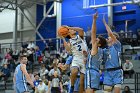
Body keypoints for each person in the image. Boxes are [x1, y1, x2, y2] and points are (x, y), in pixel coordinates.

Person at [59, 25, 88, 93]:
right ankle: (72, 86)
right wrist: (63, 38)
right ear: (68, 33)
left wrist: (69, 28)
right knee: (74, 71)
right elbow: (68, 50)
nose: (74, 30)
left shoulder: (80, 36)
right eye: (71, 30)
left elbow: (81, 29)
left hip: (84, 59)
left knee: (82, 82)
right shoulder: (70, 41)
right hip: (76, 58)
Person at [85, 12, 107, 93]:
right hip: (96, 72)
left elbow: (93, 33)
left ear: (99, 44)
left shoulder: (96, 47)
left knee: (89, 91)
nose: (94, 40)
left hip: (91, 72)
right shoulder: (101, 51)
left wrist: (94, 20)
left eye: (97, 40)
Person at [103, 15, 123, 93]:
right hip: (107, 72)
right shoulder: (105, 50)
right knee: (106, 91)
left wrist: (105, 23)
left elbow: (110, 34)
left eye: (111, 36)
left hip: (117, 72)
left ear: (115, 39)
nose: (109, 36)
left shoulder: (117, 45)